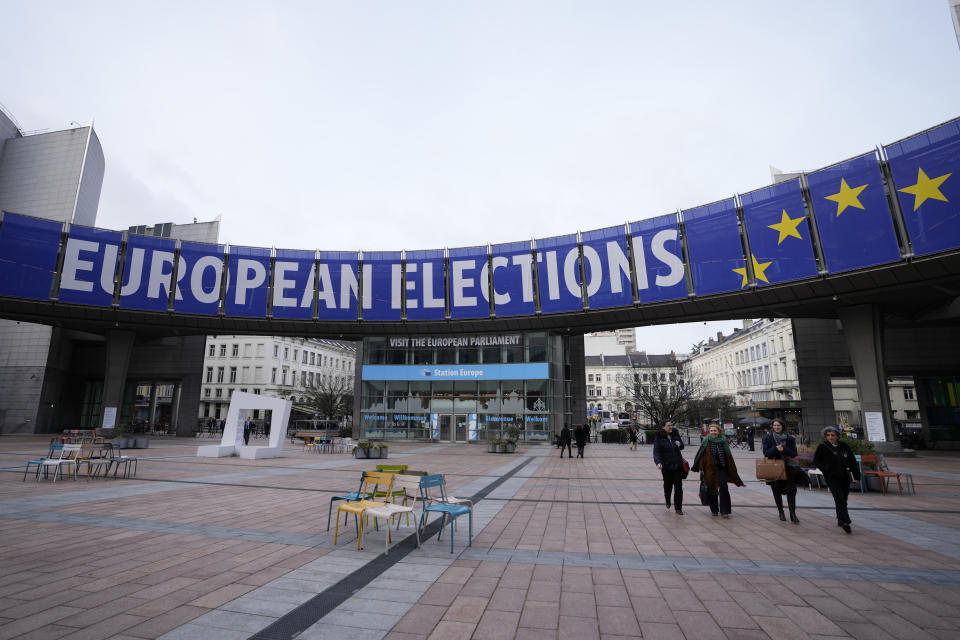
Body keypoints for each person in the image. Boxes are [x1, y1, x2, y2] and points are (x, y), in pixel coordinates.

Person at [692, 422, 745, 518]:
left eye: (715, 430)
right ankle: (714, 509)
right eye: (711, 431)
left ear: (719, 431)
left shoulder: (723, 440)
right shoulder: (705, 441)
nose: (713, 432)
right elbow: (701, 456)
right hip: (709, 468)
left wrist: (731, 467)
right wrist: (701, 468)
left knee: (723, 487)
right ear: (709, 432)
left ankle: (725, 511)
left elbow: (728, 455)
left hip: (722, 467)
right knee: (712, 488)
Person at [814, 426, 860, 534]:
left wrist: (857, 477)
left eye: (833, 435)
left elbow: (852, 462)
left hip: (845, 476)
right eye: (828, 435)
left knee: (844, 498)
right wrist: (826, 470)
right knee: (839, 498)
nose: (830, 437)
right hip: (832, 477)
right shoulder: (822, 446)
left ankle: (840, 518)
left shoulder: (844, 446)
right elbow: (817, 461)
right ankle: (845, 521)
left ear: (837, 436)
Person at [762, 419, 800, 523]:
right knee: (776, 491)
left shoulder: (790, 439)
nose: (777, 427)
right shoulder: (768, 438)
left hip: (788, 468)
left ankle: (793, 513)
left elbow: (793, 453)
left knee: (791, 491)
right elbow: (766, 453)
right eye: (775, 425)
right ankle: (781, 512)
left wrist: (784, 449)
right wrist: (775, 449)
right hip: (774, 467)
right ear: (772, 427)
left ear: (782, 426)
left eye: (778, 425)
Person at [653, 420, 685, 515]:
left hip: (678, 465)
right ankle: (667, 499)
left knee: (678, 487)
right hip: (666, 466)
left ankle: (678, 508)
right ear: (663, 427)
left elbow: (682, 446)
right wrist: (658, 462)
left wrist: (680, 444)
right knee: (668, 486)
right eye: (668, 426)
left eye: (671, 425)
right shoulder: (659, 436)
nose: (671, 427)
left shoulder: (675, 433)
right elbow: (656, 451)